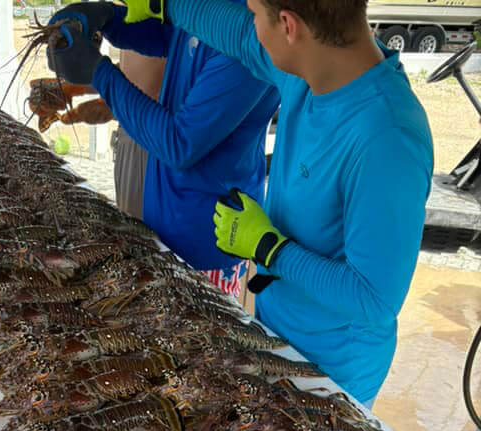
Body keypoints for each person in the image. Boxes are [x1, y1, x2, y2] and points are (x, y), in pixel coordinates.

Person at [55, 0, 433, 406]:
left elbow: (374, 299)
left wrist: (269, 247)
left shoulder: (386, 139)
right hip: (274, 330)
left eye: (254, 14)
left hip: (331, 369)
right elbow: (231, 33)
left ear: (289, 25)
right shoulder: (308, 70)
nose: (248, 24)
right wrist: (147, 10)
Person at [48, 2, 279, 295]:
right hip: (164, 220)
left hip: (206, 239)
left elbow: (179, 144)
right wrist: (110, 19)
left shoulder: (255, 32)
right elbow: (170, 37)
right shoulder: (214, 11)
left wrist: (99, 72)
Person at [114, 50, 165, 219]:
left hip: (153, 136)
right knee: (126, 221)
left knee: (140, 231)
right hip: (130, 133)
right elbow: (130, 70)